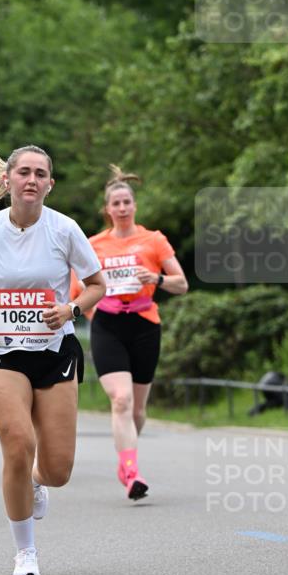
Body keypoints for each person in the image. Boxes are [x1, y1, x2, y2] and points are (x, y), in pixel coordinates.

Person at [0, 145, 106, 575]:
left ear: (49, 184)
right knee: (17, 444)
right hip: (2, 352)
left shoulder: (65, 229)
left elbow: (97, 285)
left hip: (55, 352)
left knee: (58, 470)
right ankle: (25, 552)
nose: (31, 180)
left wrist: (71, 309)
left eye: (40, 173)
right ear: (8, 181)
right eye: (24, 172)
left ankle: (37, 481)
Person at [81, 166, 188, 500]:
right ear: (107, 209)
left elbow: (182, 284)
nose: (123, 208)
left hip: (144, 324)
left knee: (137, 410)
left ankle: (126, 459)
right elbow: (76, 289)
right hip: (108, 326)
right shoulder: (93, 244)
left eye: (127, 201)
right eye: (117, 203)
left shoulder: (153, 240)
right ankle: (131, 472)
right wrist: (94, 312)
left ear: (135, 206)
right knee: (121, 399)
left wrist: (154, 279)